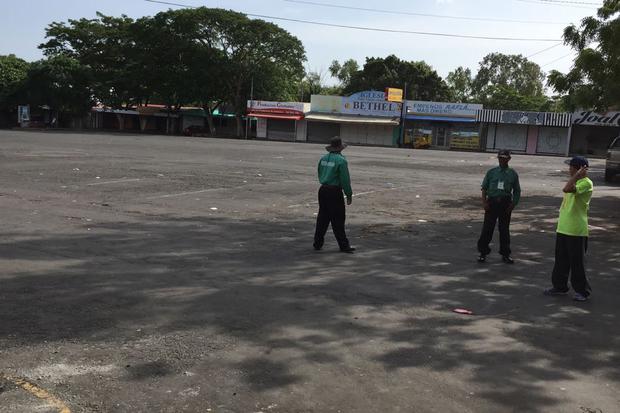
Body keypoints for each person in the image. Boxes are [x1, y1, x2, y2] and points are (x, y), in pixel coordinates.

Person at [544, 156, 593, 302]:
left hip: (576, 230)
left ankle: (582, 291)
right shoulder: (575, 180)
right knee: (561, 260)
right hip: (564, 227)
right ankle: (559, 286)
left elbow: (566, 189)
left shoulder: (586, 183)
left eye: (571, 166)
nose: (569, 169)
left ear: (580, 168)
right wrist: (575, 176)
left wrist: (578, 175)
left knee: (577, 262)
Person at [477, 149, 521, 263]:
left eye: (505, 158)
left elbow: (517, 190)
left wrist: (513, 204)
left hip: (505, 203)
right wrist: (484, 202)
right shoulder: (492, 172)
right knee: (487, 229)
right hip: (492, 202)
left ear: (509, 159)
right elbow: (484, 188)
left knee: (504, 230)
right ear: (498, 158)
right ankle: (483, 252)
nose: (502, 160)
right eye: (500, 158)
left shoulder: (512, 174)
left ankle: (505, 254)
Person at [313, 137, 355, 253]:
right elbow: (345, 180)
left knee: (323, 217)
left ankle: (317, 243)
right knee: (338, 219)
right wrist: (349, 194)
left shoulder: (323, 159)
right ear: (341, 148)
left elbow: (320, 172)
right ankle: (344, 245)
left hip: (323, 189)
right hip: (334, 191)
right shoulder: (341, 161)